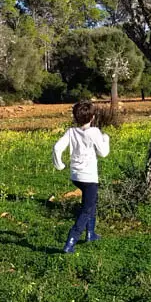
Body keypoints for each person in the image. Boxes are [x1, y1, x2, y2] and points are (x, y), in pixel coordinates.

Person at [52, 100, 110, 253]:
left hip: (76, 176)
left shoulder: (71, 132)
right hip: (89, 177)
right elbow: (103, 153)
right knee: (86, 209)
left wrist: (60, 165)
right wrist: (106, 139)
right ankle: (71, 240)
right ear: (92, 117)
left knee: (91, 203)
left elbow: (57, 148)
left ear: (75, 118)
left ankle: (90, 234)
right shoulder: (95, 132)